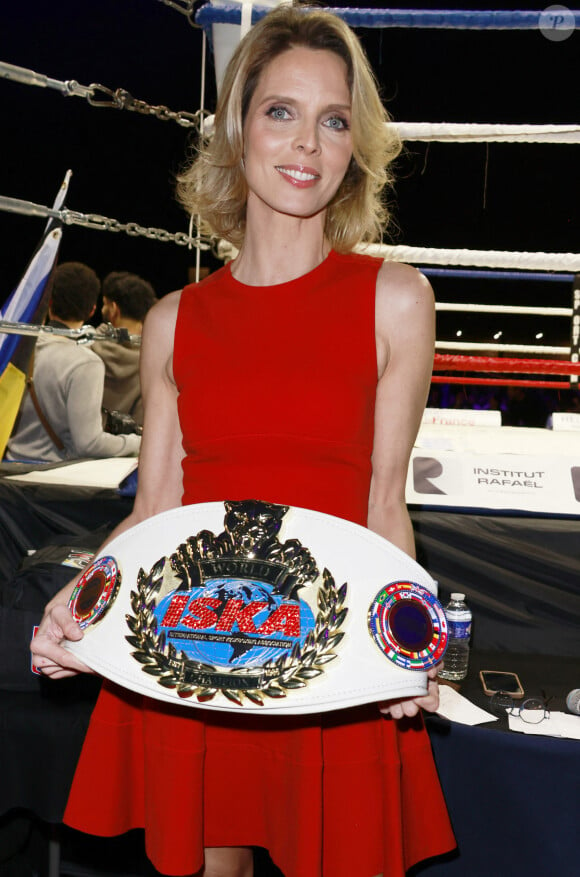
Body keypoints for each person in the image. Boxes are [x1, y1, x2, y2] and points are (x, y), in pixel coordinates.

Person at [31, 6, 455, 876]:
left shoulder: (396, 301)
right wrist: (76, 603)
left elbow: (383, 504)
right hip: (203, 647)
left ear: (354, 146)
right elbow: (153, 509)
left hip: (331, 660)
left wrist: (401, 647)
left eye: (333, 120)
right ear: (237, 127)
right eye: (280, 112)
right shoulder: (174, 322)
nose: (306, 143)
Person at [6, 262, 141, 463]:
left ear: (49, 303)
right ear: (92, 310)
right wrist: (137, 442)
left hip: (9, 473)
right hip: (54, 481)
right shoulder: (86, 363)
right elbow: (89, 444)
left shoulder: (17, 348)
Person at [91, 271, 157, 425]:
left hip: (85, 444)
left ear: (114, 310)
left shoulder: (88, 349)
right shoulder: (154, 364)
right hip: (131, 446)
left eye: (104, 304)